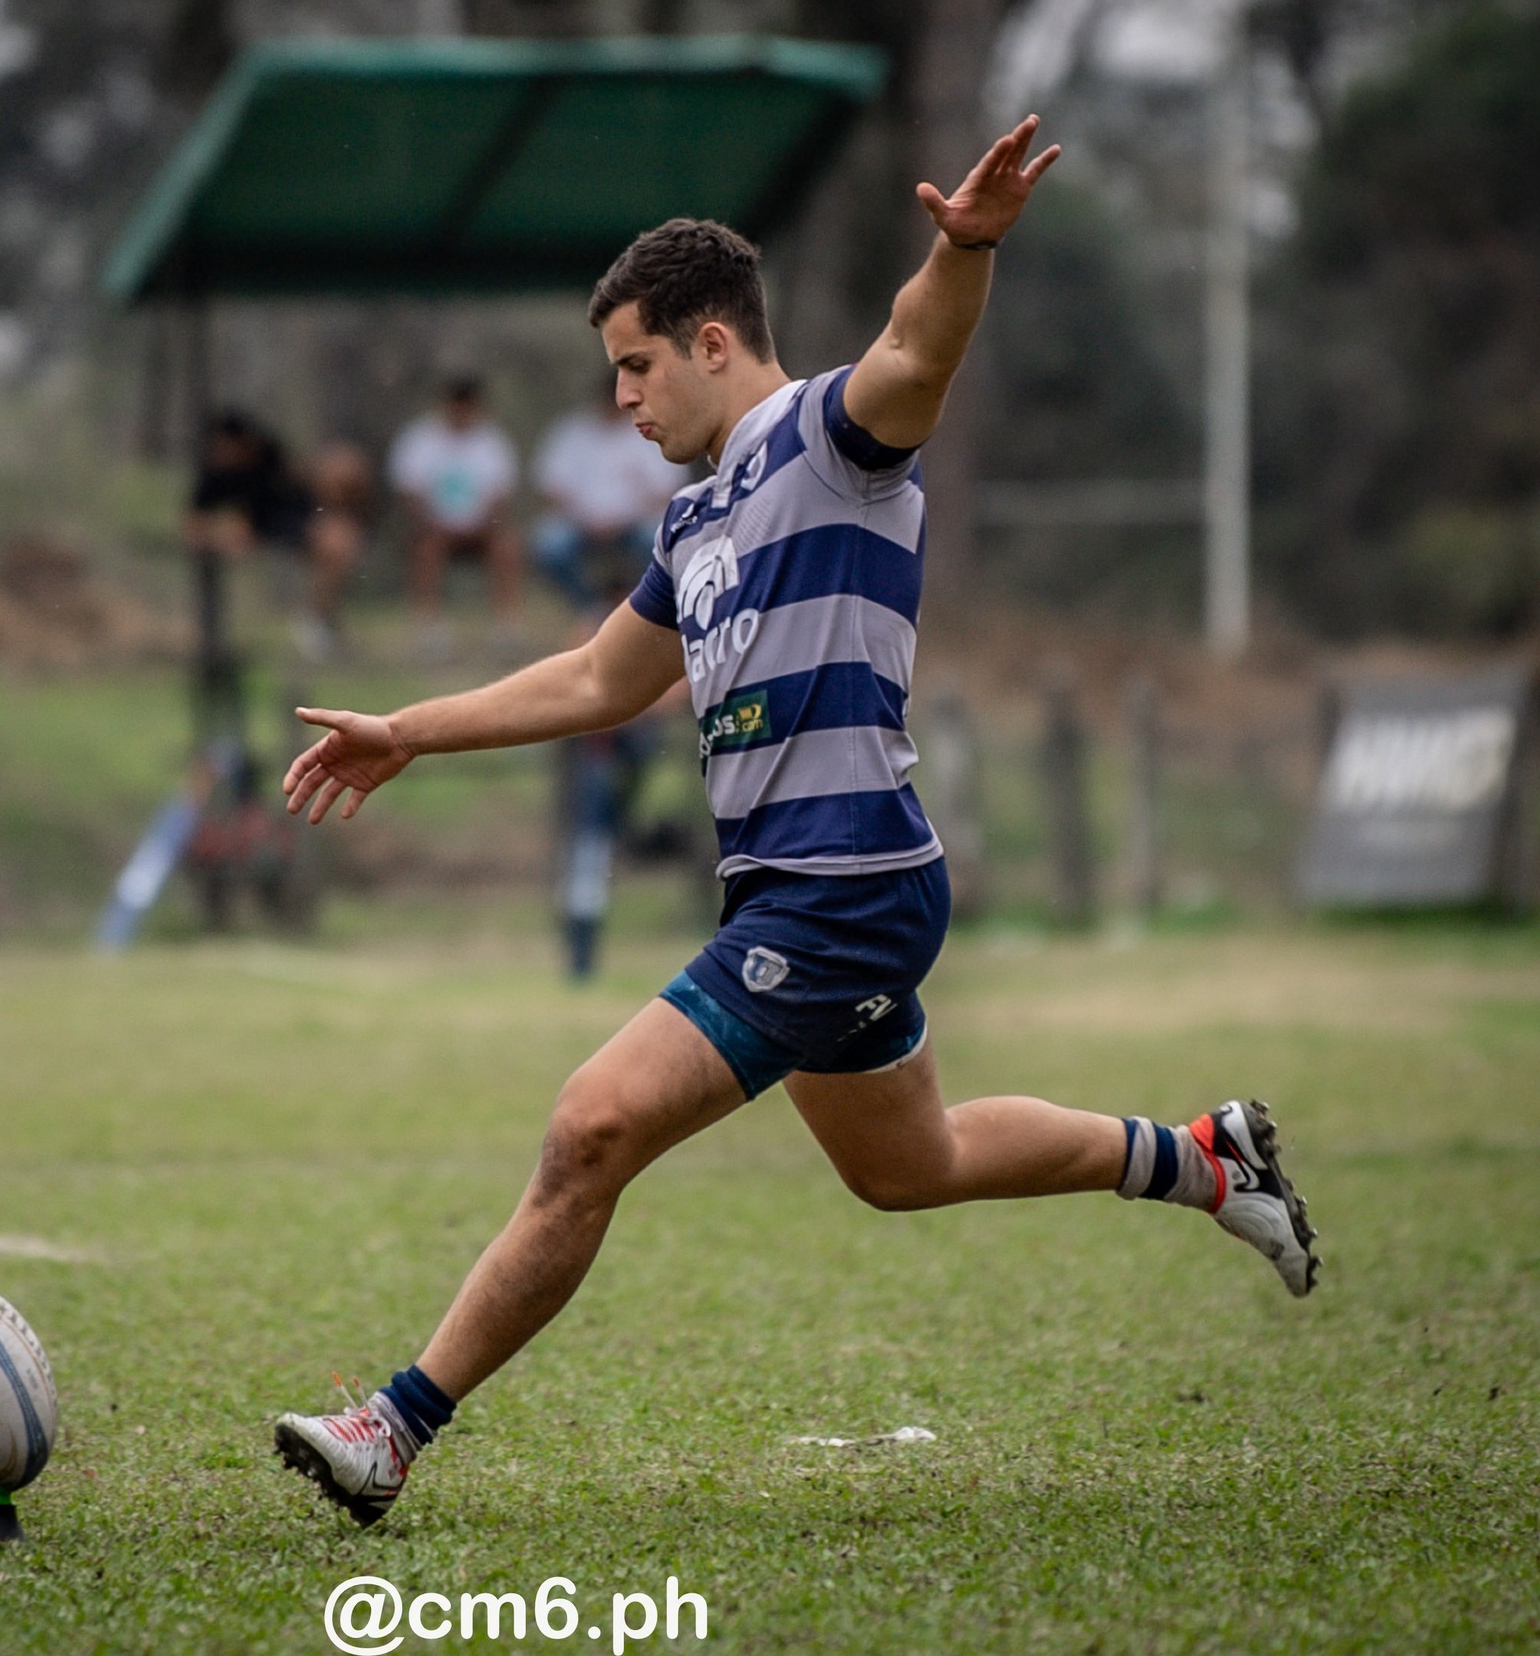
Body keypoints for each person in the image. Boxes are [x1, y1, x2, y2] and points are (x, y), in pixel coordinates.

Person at [270, 119, 1320, 1525]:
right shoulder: (692, 523)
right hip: (797, 890)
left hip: (843, 884)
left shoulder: (827, 439)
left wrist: (964, 248)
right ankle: (1202, 1155)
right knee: (910, 1165)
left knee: (590, 1127)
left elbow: (915, 352)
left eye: (636, 366)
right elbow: (596, 677)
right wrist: (408, 725)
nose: (625, 401)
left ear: (714, 342)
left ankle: (390, 1429)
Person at [189, 409, 367, 661]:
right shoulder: (214, 474)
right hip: (260, 531)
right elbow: (193, 525)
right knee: (336, 543)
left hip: (292, 523)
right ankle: (316, 623)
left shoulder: (268, 453)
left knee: (339, 544)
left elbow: (298, 489)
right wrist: (223, 534)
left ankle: (318, 618)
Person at [532, 372, 690, 610]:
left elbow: (668, 488)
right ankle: (592, 605)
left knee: (659, 541)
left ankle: (642, 604)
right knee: (551, 546)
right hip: (580, 522)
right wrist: (586, 517)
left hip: (635, 522)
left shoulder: (650, 432)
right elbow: (550, 488)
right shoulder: (573, 432)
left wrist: (624, 517)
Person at [387, 378, 522, 651]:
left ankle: (506, 626)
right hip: (434, 529)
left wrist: (482, 522)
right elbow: (410, 492)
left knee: (507, 548)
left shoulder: (491, 441)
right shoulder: (420, 439)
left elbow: (500, 495)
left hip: (481, 530)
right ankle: (429, 625)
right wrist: (433, 522)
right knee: (427, 551)